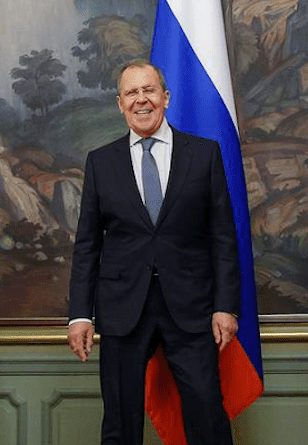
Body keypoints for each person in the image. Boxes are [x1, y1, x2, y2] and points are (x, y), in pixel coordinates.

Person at [67, 60, 240, 445]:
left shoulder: (203, 154)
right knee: (120, 422)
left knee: (208, 415)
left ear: (166, 97)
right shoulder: (101, 161)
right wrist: (80, 314)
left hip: (193, 308)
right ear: (119, 103)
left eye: (149, 91)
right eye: (131, 93)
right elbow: (87, 244)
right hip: (122, 309)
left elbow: (223, 237)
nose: (141, 100)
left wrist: (225, 305)